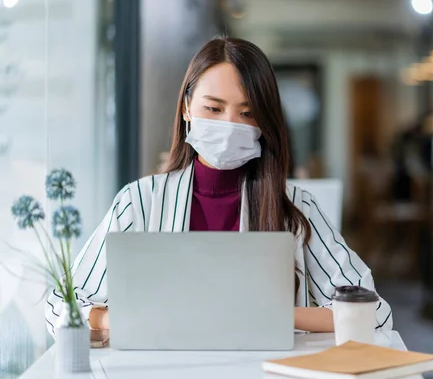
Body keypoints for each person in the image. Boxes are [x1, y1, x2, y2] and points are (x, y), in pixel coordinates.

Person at [45, 37, 392, 337]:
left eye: (247, 113)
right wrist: (116, 319)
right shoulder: (140, 201)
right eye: (213, 108)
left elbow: (374, 314)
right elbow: (60, 305)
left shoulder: (295, 207)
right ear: (186, 109)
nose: (230, 125)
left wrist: (270, 318)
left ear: (266, 122)